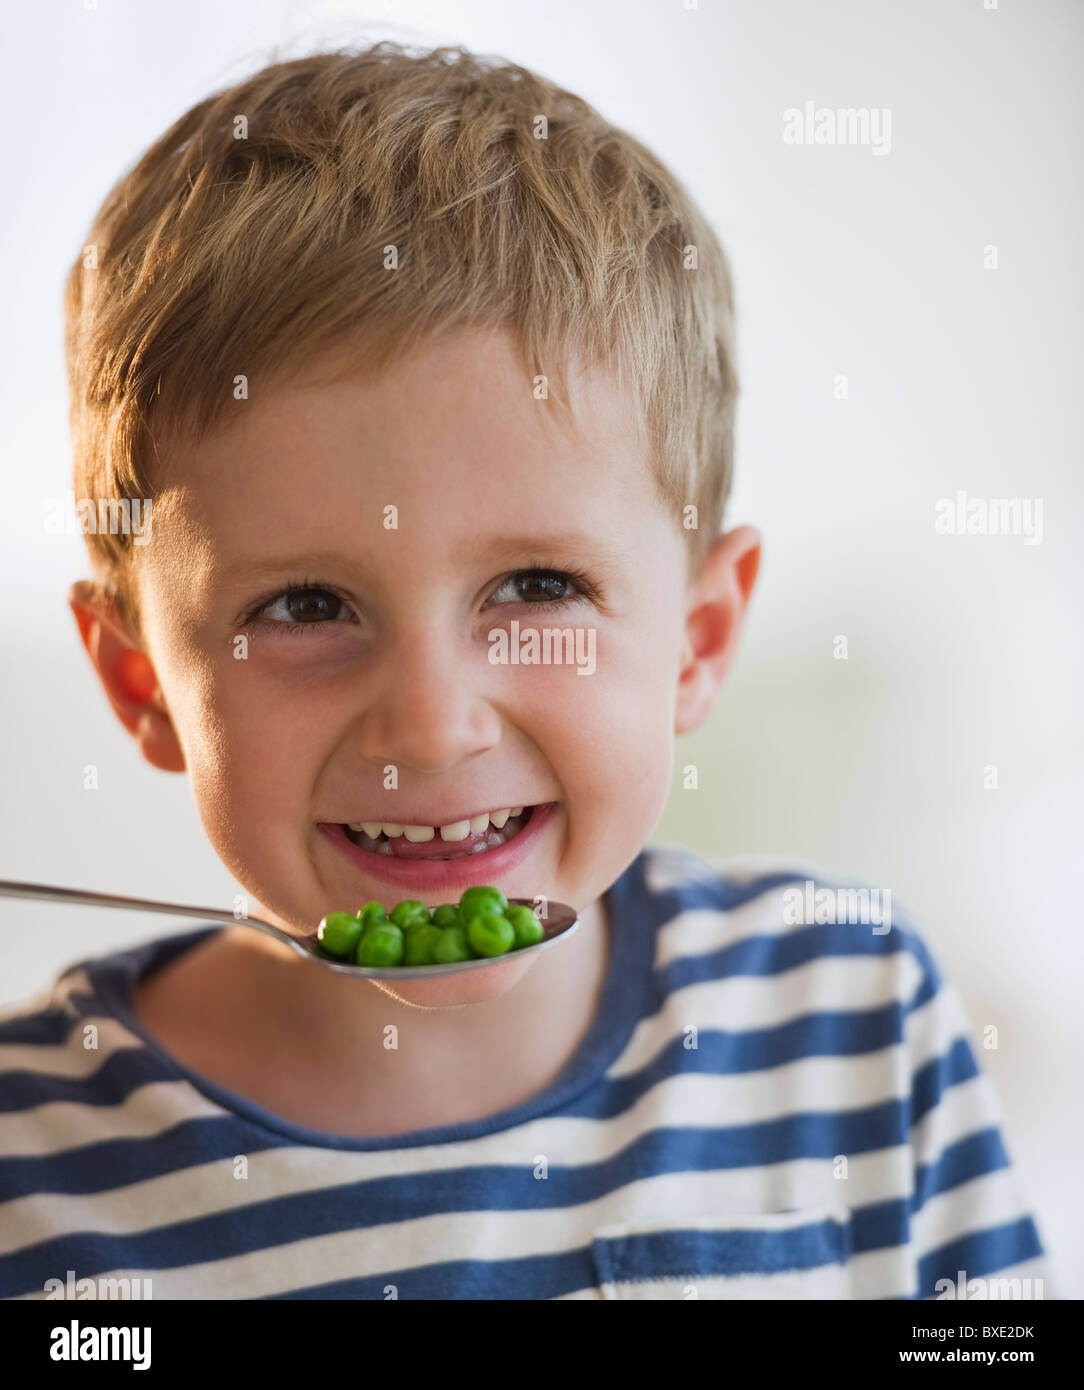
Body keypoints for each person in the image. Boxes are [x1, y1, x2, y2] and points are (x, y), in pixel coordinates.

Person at [0, 41, 1049, 1300]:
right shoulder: (32, 1164)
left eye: (539, 589)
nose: (434, 727)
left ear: (696, 642)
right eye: (305, 605)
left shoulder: (851, 1018)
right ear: (141, 686)